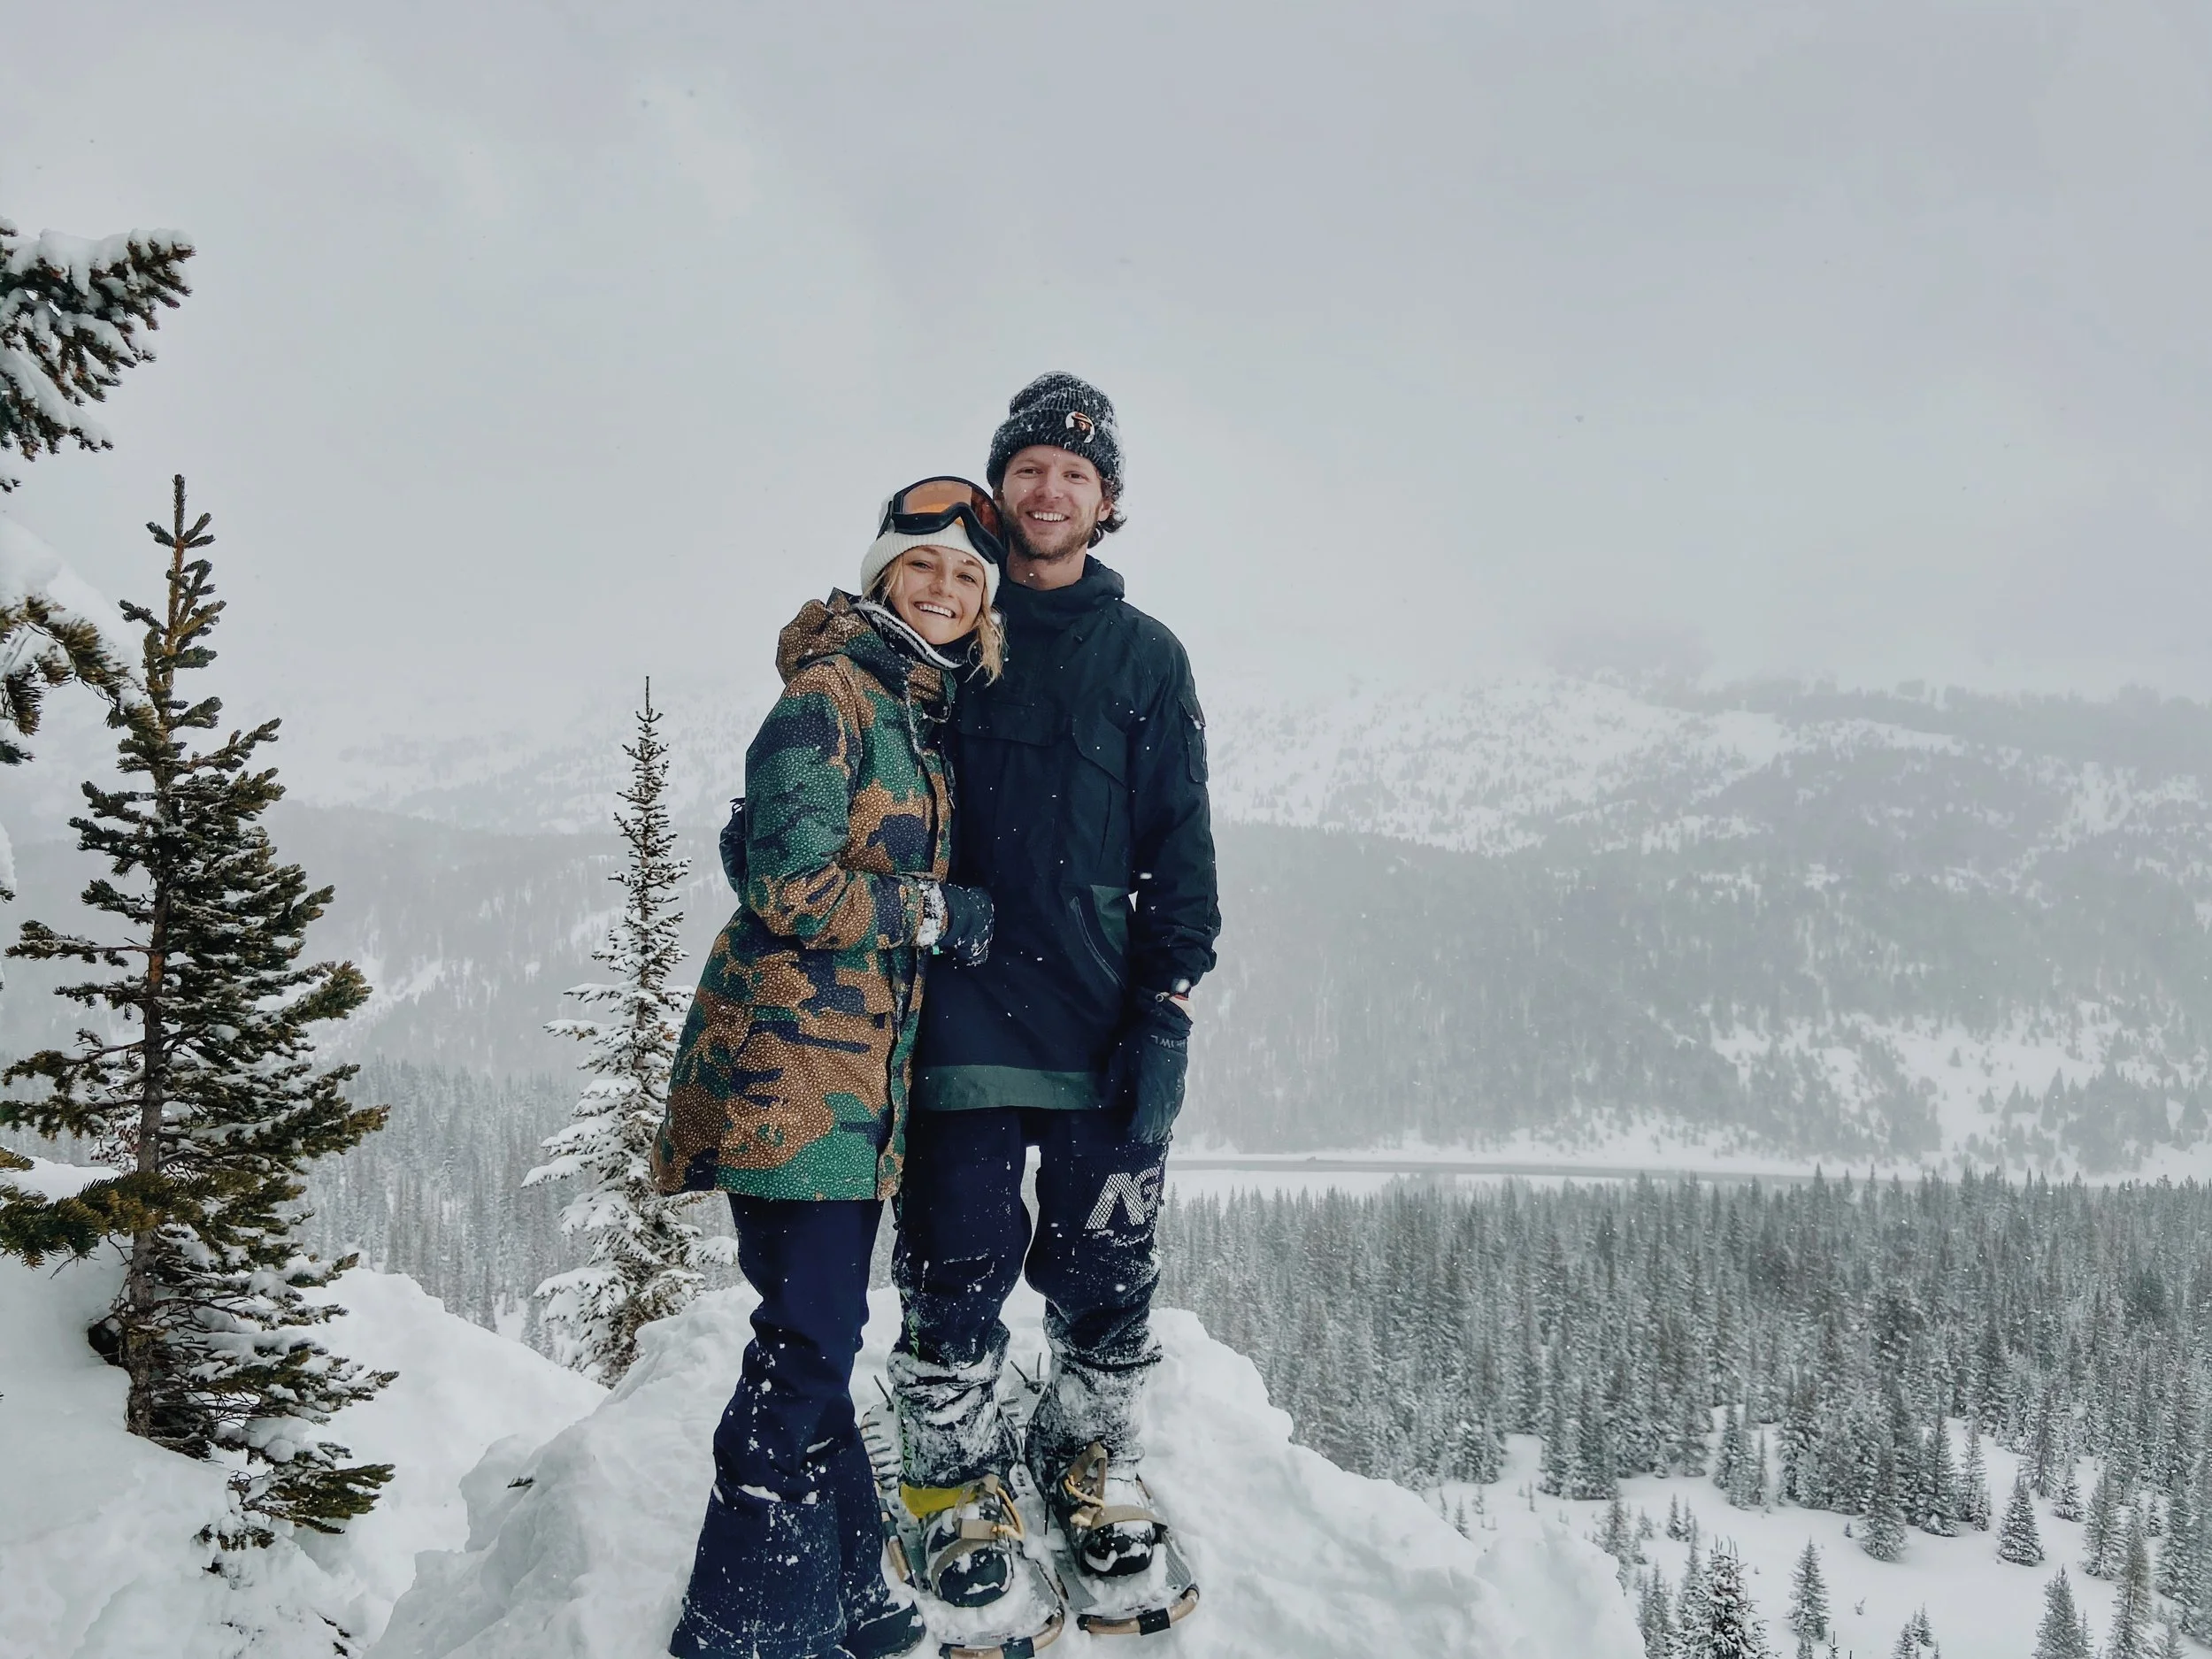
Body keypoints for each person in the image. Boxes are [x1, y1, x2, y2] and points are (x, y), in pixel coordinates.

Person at [653, 479, 1008, 1659]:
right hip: (790, 1082)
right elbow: (791, 887)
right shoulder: (832, 695)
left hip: (855, 1092)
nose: (946, 587)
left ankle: (854, 1604)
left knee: (820, 1335)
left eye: (968, 576)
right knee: (805, 1341)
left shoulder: (916, 711)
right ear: (881, 573)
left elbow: (777, 851)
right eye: (925, 565)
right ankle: (741, 1628)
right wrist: (939, 913)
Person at [889, 373, 1220, 1607]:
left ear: (1108, 502)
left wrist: (1168, 1006)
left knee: (1107, 1265)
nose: (1048, 488)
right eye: (1029, 466)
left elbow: (1180, 846)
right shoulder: (947, 636)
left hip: (1100, 1015)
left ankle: (1087, 1454)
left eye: (1075, 473)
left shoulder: (1146, 656)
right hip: (960, 1010)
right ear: (999, 485)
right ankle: (952, 1474)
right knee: (955, 1256)